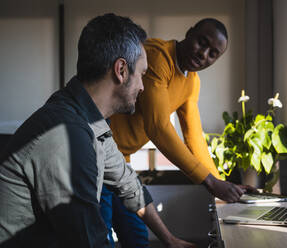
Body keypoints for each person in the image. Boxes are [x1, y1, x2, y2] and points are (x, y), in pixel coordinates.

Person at [0, 13, 194, 248]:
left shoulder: (90, 120)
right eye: (142, 74)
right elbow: (88, 240)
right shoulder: (65, 134)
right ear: (121, 70)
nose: (143, 87)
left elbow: (129, 184)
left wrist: (171, 240)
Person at [104, 18, 255, 247]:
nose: (204, 54)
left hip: (120, 161)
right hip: (99, 154)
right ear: (190, 32)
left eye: (213, 53)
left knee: (136, 237)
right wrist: (212, 184)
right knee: (100, 238)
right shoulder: (158, 56)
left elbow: (194, 137)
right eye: (202, 42)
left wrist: (222, 185)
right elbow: (158, 126)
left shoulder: (192, 82)